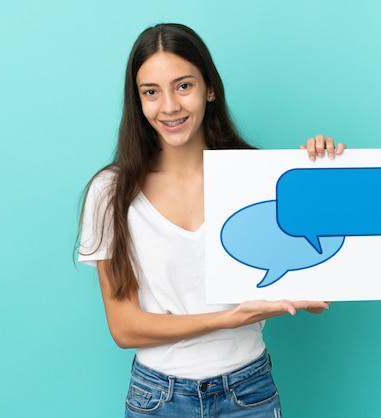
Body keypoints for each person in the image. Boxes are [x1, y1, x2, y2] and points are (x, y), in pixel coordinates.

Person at [78, 23, 346, 417]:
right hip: (157, 399)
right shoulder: (110, 191)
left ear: (209, 89)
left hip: (248, 392)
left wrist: (323, 176)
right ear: (138, 102)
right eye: (151, 92)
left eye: (183, 86)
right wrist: (229, 318)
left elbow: (316, 293)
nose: (169, 106)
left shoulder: (262, 179)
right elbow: (124, 326)